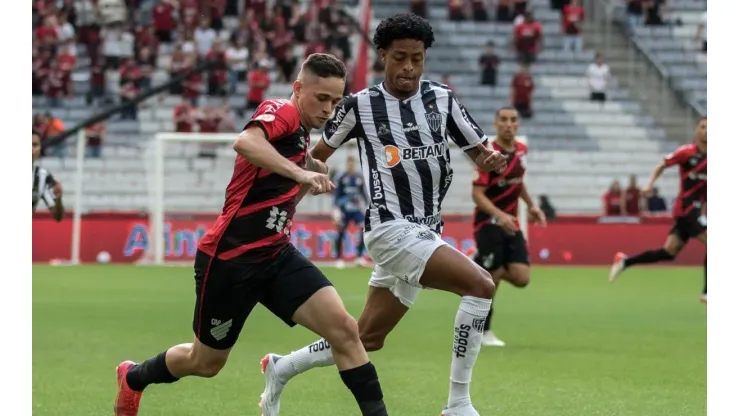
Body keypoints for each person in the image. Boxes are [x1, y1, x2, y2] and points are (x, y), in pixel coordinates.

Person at [113, 54, 390, 416]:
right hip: (230, 260)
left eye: (336, 101)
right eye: (321, 98)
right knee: (206, 362)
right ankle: (133, 377)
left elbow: (282, 194)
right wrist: (302, 173)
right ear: (298, 88)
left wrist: (306, 175)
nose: (328, 109)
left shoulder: (302, 137)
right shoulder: (282, 111)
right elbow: (245, 142)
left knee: (344, 331)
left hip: (276, 256)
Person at [260, 13, 507, 416]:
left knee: (367, 337)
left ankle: (282, 366)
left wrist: (490, 158)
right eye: (399, 58)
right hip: (390, 229)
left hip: (427, 230)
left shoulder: (442, 99)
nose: (408, 67)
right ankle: (458, 404)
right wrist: (289, 200)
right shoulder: (359, 105)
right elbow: (315, 156)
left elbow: (477, 149)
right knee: (480, 286)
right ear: (382, 56)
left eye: (417, 58)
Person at [609, 117, 707, 304]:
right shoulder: (687, 153)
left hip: (694, 211)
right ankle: (707, 292)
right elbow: (662, 165)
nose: (706, 131)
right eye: (703, 127)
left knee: (669, 252)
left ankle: (624, 261)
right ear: (696, 130)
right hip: (686, 209)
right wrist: (649, 185)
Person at [471, 107, 546, 347]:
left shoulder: (521, 151)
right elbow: (477, 194)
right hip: (488, 223)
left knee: (522, 277)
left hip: (510, 223)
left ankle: (477, 263)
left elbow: (518, 182)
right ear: (495, 123)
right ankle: (483, 332)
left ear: (518, 125)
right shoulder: (489, 155)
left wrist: (532, 206)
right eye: (503, 120)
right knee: (492, 281)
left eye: (513, 120)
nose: (508, 124)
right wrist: (499, 215)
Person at [333, 155, 370, 268]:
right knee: (341, 231)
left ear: (354, 165)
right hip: (344, 210)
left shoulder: (358, 178)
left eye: (352, 164)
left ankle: (359, 257)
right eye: (349, 164)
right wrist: (336, 209)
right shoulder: (341, 178)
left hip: (356, 210)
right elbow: (337, 194)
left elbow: (363, 194)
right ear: (346, 164)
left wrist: (368, 206)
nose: (350, 166)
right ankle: (339, 258)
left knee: (363, 229)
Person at [32, 131, 64, 221]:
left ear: (39, 149)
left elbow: (58, 217)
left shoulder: (43, 176)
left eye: (34, 145)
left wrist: (58, 198)